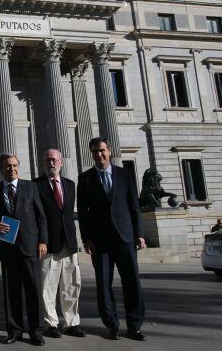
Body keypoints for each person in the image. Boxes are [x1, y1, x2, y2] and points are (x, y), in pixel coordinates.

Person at [77, 138, 146, 341]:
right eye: (94, 152)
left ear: (110, 150)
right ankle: (112, 325)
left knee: (132, 282)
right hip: (100, 241)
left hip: (125, 237)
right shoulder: (85, 179)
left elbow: (135, 206)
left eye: (101, 151)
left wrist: (139, 233)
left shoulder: (124, 174)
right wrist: (87, 237)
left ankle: (135, 326)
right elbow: (83, 212)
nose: (99, 155)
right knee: (104, 285)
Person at [0, 153, 48, 346]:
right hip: (7, 247)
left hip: (29, 247)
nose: (11, 169)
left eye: (14, 166)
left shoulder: (31, 187)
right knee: (11, 292)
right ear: (1, 169)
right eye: (7, 166)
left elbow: (41, 217)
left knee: (33, 290)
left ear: (18, 167)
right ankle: (14, 330)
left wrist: (43, 241)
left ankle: (36, 331)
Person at [32, 150, 86, 339]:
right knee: (48, 284)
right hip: (48, 243)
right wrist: (41, 240)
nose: (51, 162)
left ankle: (72, 322)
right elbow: (36, 216)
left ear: (61, 162)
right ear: (44, 163)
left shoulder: (70, 185)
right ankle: (51, 323)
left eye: (54, 159)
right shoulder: (36, 185)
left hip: (69, 241)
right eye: (48, 159)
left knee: (72, 284)